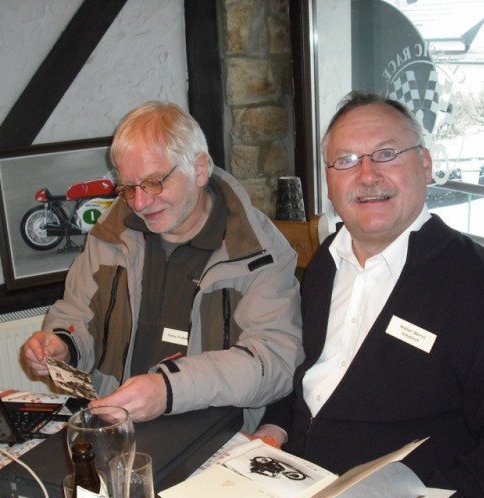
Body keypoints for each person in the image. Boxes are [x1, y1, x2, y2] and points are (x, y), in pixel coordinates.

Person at [253, 91, 484, 498]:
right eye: (346, 160)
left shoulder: (482, 287)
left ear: (425, 164)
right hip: (298, 477)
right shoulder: (326, 263)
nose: (367, 174)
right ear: (330, 183)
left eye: (386, 154)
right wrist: (274, 426)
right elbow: (310, 367)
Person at [22, 101, 302, 429]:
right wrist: (61, 344)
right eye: (128, 187)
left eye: (154, 182)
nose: (140, 203)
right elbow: (76, 317)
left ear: (199, 169)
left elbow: (276, 363)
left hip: (214, 438)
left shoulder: (258, 251)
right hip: (117, 424)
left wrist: (168, 389)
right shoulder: (110, 237)